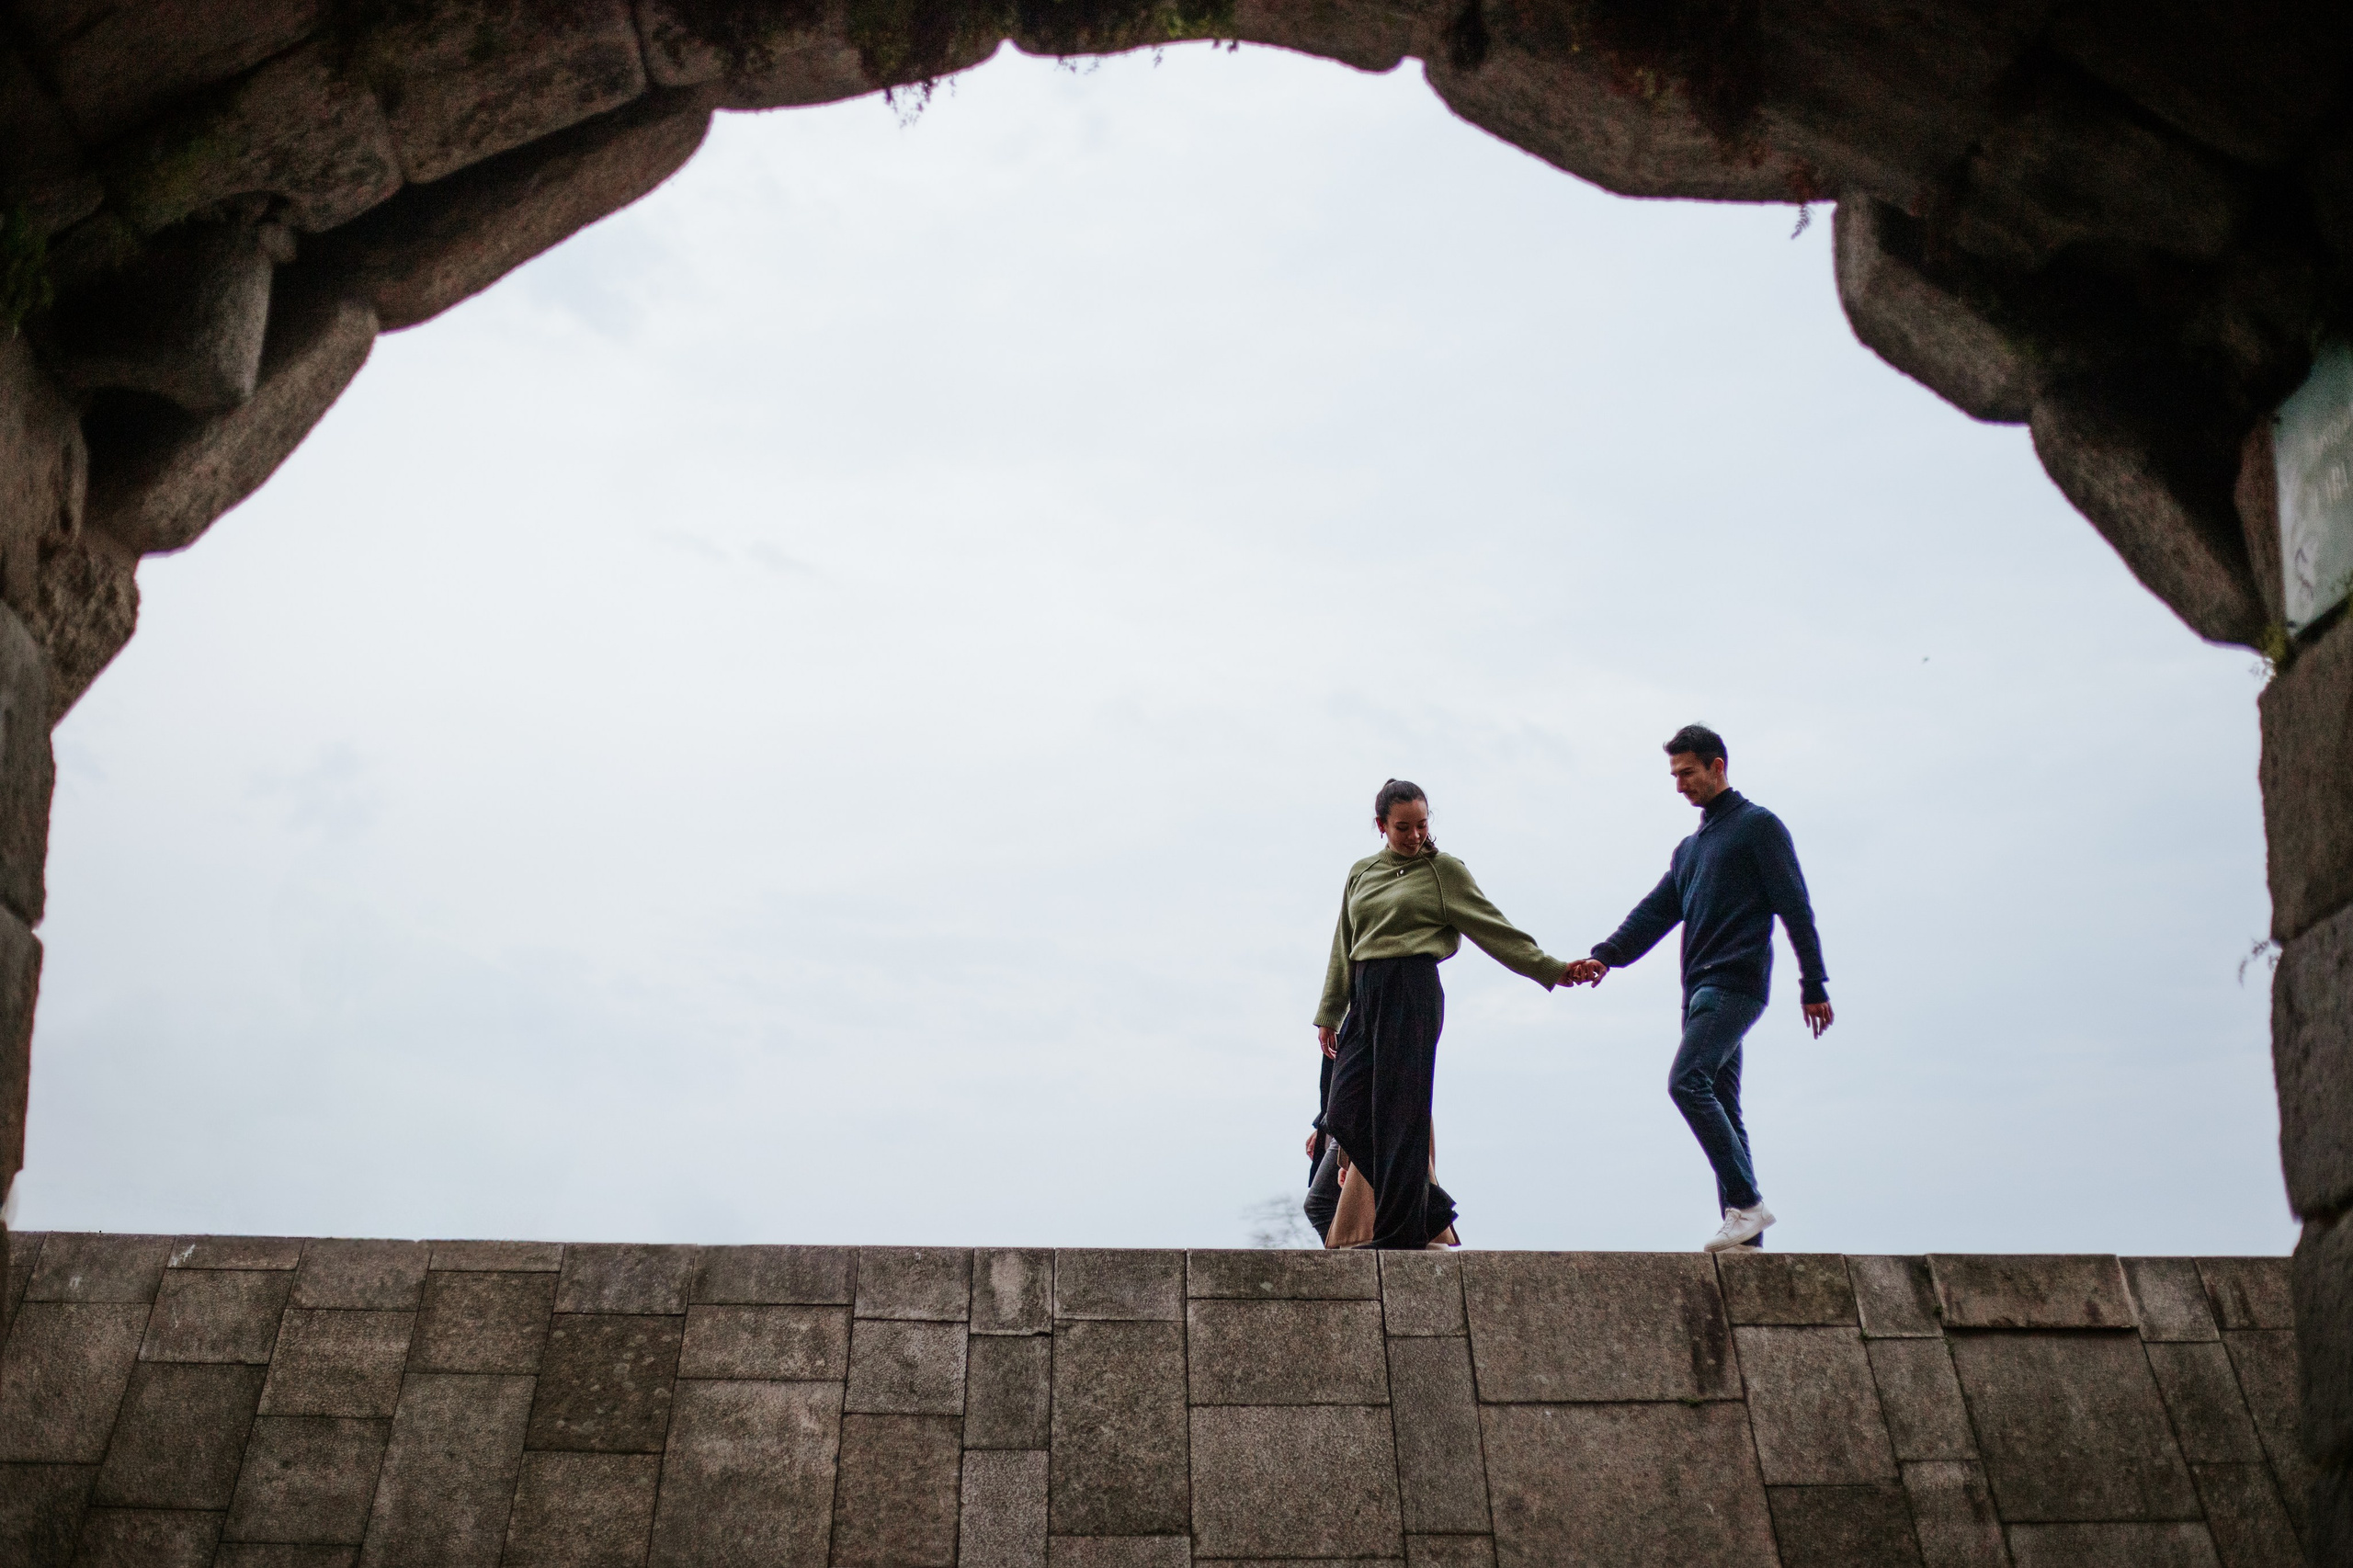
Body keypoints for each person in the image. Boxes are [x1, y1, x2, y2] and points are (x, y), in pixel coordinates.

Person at [1566, 724, 1831, 1252]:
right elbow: (1656, 912)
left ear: (1718, 766)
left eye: (1687, 772)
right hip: (1698, 995)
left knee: (1687, 1083)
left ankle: (1748, 1205)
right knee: (1723, 1105)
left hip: (1736, 985)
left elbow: (1795, 906)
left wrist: (1813, 981)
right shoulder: (1690, 849)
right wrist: (1604, 957)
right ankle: (1744, 1236)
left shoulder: (1759, 827)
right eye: (1674, 775)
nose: (1680, 784)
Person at [1313, 778, 1576, 1249]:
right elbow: (1343, 943)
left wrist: (1553, 969)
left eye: (1421, 825)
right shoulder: (1361, 872)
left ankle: (1397, 1234)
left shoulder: (1444, 871)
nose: (1414, 835)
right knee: (1344, 1114)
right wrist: (1330, 1010)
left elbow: (1495, 929)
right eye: (1402, 828)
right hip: (1365, 995)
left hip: (1412, 991)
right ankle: (1428, 1208)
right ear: (1380, 826)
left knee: (1400, 1116)